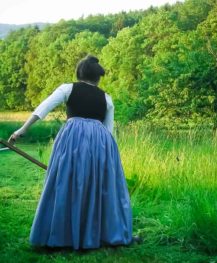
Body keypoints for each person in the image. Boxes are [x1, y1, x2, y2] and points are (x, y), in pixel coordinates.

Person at [8, 55, 142, 250]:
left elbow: (43, 108)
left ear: (79, 74)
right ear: (98, 78)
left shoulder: (67, 88)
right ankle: (96, 234)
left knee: (65, 183)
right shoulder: (106, 98)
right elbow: (108, 130)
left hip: (72, 139)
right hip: (100, 142)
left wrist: (22, 130)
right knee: (95, 186)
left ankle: (62, 237)